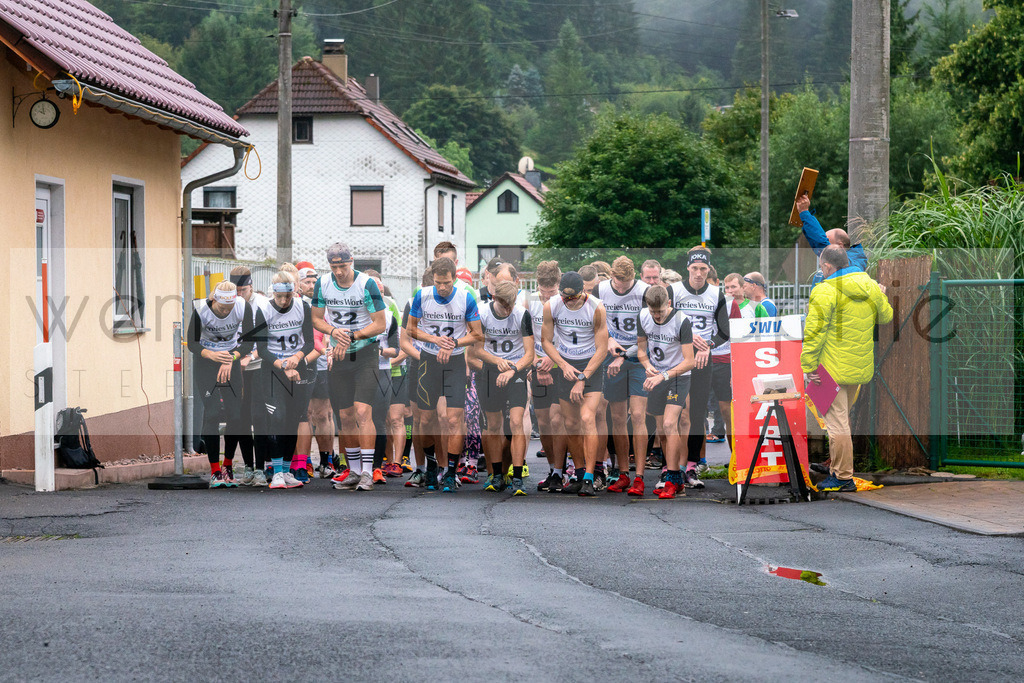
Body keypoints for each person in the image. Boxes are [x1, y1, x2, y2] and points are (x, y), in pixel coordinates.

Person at [802, 246, 892, 492]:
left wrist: (808, 366)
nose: (821, 272)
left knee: (836, 424)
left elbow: (814, 333)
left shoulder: (825, 290)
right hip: (859, 368)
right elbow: (886, 316)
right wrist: (881, 295)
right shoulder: (869, 285)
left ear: (828, 267)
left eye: (821, 268)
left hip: (829, 369)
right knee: (842, 421)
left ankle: (842, 477)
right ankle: (837, 471)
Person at [311, 242, 387, 492]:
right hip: (340, 354)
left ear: (351, 261)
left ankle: (367, 471)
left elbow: (380, 324)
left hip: (364, 353)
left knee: (363, 412)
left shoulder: (367, 284)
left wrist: (352, 336)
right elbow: (315, 318)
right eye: (334, 267)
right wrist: (334, 331)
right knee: (344, 415)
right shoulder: (323, 283)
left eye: (343, 266)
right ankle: (353, 470)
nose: (339, 271)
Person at [407, 257, 484, 492]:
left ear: (454, 279)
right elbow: (411, 329)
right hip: (429, 360)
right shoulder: (422, 295)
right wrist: (433, 339)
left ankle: (451, 471)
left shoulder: (465, 297)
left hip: (455, 362)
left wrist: (453, 343)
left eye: (447, 283)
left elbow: (477, 334)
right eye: (438, 282)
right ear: (433, 279)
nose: (442, 287)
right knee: (426, 419)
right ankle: (431, 467)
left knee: (453, 419)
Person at [541, 271, 609, 497]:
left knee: (588, 418)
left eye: (573, 297)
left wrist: (582, 378)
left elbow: (602, 348)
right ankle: (579, 474)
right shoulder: (552, 305)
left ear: (583, 292)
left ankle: (591, 477)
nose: (568, 301)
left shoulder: (596, 307)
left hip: (590, 364)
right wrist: (562, 365)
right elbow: (546, 341)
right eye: (565, 297)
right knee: (570, 422)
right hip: (566, 364)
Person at [668, 247, 730, 488]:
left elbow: (725, 330)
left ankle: (692, 465)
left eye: (703, 269)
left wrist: (708, 346)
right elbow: (662, 321)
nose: (698, 273)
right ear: (688, 268)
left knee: (697, 414)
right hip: (676, 357)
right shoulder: (673, 290)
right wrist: (685, 336)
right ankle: (669, 466)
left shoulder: (716, 294)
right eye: (694, 268)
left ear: (708, 270)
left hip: (703, 358)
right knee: (672, 413)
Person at [187, 280, 255, 488]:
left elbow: (250, 341)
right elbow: (192, 342)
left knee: (235, 415)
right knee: (214, 412)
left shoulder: (243, 306)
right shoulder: (201, 309)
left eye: (229, 308)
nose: (226, 312)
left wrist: (231, 358)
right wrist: (211, 355)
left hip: (230, 360)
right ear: (214, 299)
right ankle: (215, 471)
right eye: (222, 308)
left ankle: (227, 465)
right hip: (206, 362)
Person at [252, 271, 315, 489]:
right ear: (274, 293)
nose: (283, 301)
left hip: (298, 368)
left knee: (293, 419)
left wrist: (296, 359)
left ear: (294, 293)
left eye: (287, 296)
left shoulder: (302, 307)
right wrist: (284, 366)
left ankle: (287, 470)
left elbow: (309, 343)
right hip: (273, 370)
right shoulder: (263, 309)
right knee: (277, 417)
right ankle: (277, 472)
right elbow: (261, 349)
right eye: (279, 296)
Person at [475, 281, 535, 496]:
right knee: (493, 424)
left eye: (511, 304)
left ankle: (517, 476)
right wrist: (496, 360)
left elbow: (530, 353)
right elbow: (476, 350)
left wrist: (513, 370)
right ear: (494, 299)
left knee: (517, 421)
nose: (508, 309)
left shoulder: (522, 314)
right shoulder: (482, 313)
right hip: (490, 372)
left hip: (515, 371)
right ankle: (497, 474)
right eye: (504, 305)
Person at [637, 285, 696, 499]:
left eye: (660, 312)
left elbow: (690, 361)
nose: (656, 316)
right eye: (653, 312)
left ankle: (673, 476)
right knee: (662, 429)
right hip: (656, 376)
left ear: (669, 304)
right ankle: (674, 477)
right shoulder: (643, 316)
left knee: (671, 424)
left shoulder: (682, 321)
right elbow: (642, 350)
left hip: (678, 376)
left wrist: (663, 375)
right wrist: (646, 366)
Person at [598, 256, 650, 493]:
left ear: (634, 278)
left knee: (637, 415)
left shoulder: (644, 291)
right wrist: (609, 339)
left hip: (638, 357)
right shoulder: (601, 289)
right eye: (618, 282)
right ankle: (623, 473)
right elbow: (598, 324)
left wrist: (624, 355)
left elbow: (651, 332)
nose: (621, 287)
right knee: (617, 418)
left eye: (626, 283)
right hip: (612, 356)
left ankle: (639, 475)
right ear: (611, 276)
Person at [528, 261, 568, 492]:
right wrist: (535, 361)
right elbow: (526, 338)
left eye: (550, 292)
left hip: (561, 364)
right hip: (538, 364)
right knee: (543, 422)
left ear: (558, 286)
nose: (546, 297)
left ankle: (562, 470)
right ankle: (553, 469)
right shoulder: (531, 303)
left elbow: (571, 339)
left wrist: (553, 360)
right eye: (542, 292)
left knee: (557, 419)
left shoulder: (566, 304)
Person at [796, 193, 869, 287]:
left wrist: (804, 213)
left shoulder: (853, 263)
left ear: (840, 246)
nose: (824, 251)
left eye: (828, 243)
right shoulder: (835, 264)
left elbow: (821, 243)